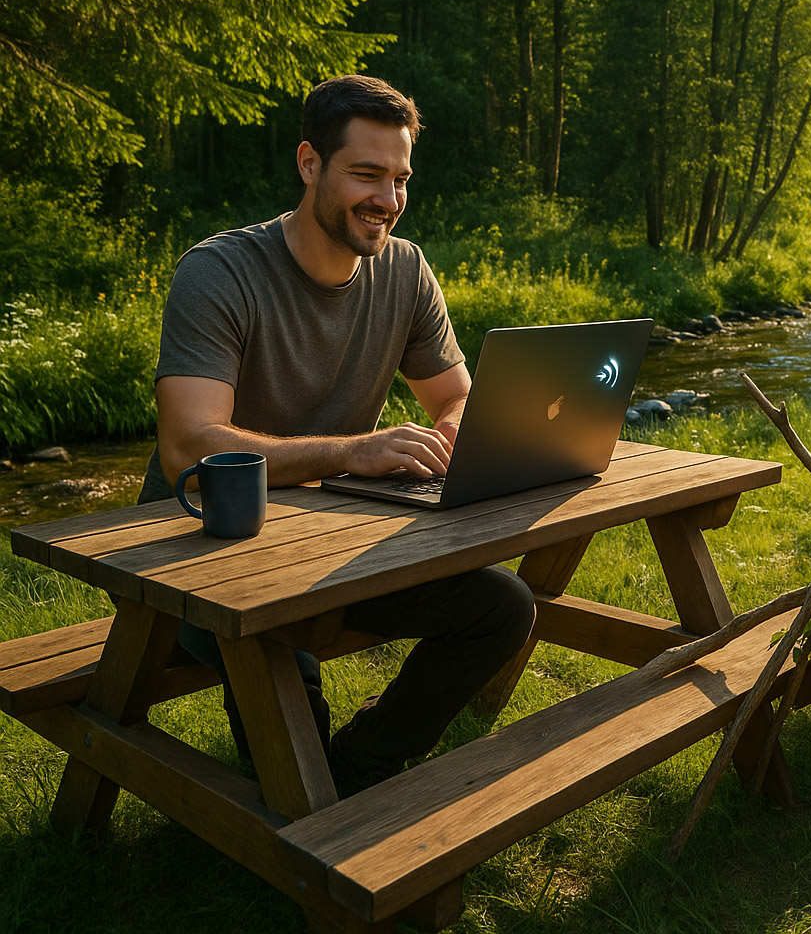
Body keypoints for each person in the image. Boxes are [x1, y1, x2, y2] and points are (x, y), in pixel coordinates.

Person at [138, 74, 537, 793]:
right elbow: (186, 444)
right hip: (200, 552)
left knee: (501, 606)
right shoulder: (219, 272)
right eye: (366, 174)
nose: (386, 199)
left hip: (332, 542)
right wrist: (355, 452)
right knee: (287, 715)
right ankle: (317, 796)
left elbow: (459, 399)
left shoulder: (406, 269)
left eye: (399, 178)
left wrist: (445, 434)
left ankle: (361, 765)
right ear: (309, 164)